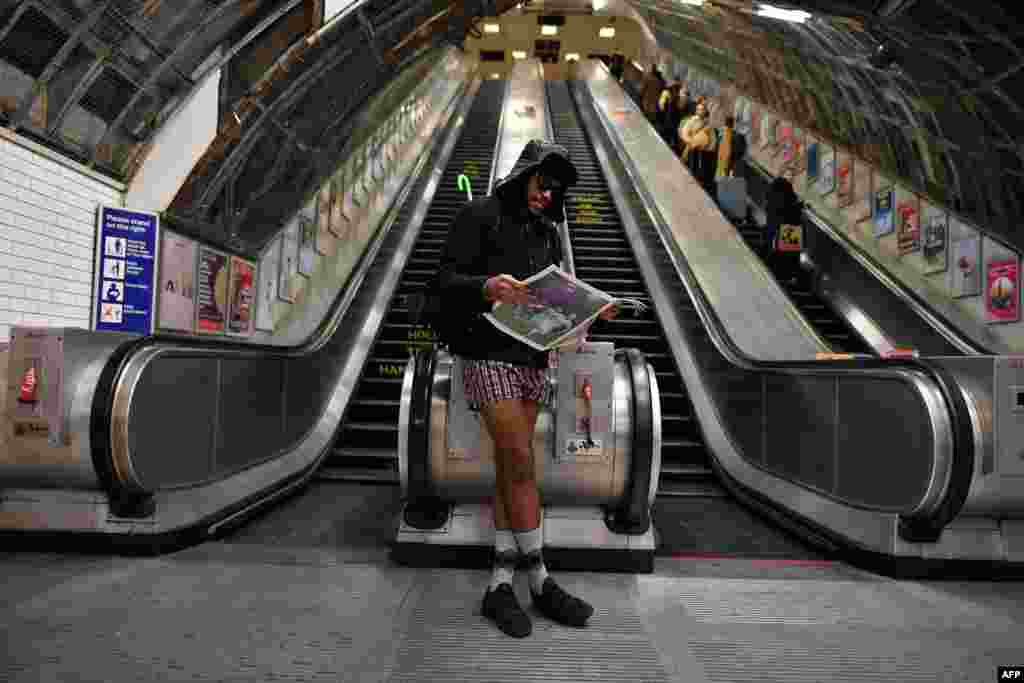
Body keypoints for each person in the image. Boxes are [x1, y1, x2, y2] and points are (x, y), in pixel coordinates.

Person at [437, 140, 618, 638]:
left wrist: (586, 312)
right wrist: (484, 287)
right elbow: (443, 280)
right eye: (542, 183)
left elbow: (552, 299)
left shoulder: (548, 234)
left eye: (555, 189)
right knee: (520, 461)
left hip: (533, 358)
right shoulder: (479, 216)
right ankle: (539, 578)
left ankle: (499, 584)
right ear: (524, 175)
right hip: (486, 353)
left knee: (507, 468)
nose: (547, 194)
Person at [679, 100, 716, 191]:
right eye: (698, 109)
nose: (700, 111)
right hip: (692, 147)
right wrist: (691, 142)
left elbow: (712, 137)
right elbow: (684, 133)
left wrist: (710, 147)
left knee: (703, 166)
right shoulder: (692, 121)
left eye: (702, 109)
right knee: (692, 163)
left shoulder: (708, 124)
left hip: (704, 150)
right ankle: (691, 179)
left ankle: (700, 181)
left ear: (705, 111)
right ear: (696, 111)